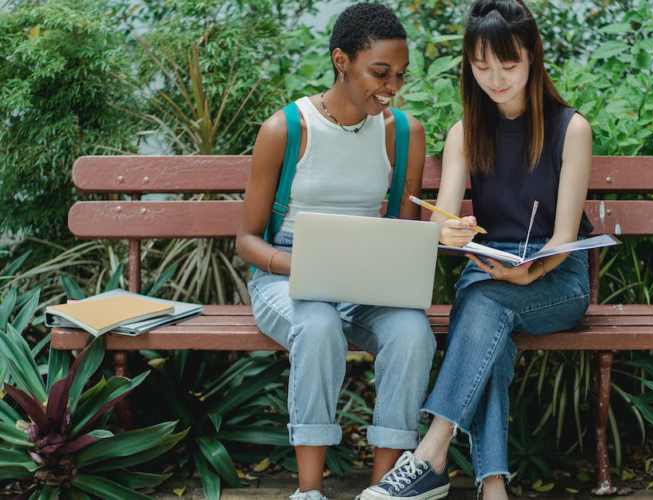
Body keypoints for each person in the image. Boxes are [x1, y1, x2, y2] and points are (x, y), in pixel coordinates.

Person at [359, 1, 594, 499]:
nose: (495, 78)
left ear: (532, 56)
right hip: (489, 271)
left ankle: (430, 452)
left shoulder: (570, 129)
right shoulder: (465, 133)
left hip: (555, 278)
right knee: (490, 328)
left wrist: (530, 274)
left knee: (482, 305)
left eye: (507, 64)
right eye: (481, 65)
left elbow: (565, 238)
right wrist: (454, 230)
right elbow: (443, 224)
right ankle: (492, 485)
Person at [235, 4, 435, 500]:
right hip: (285, 273)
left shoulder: (404, 133)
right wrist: (298, 265)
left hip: (365, 279)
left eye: (400, 75)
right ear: (341, 60)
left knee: (412, 334)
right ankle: (309, 491)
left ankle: (382, 490)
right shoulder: (286, 129)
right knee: (319, 325)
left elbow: (403, 230)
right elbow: (247, 239)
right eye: (381, 72)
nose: (392, 86)